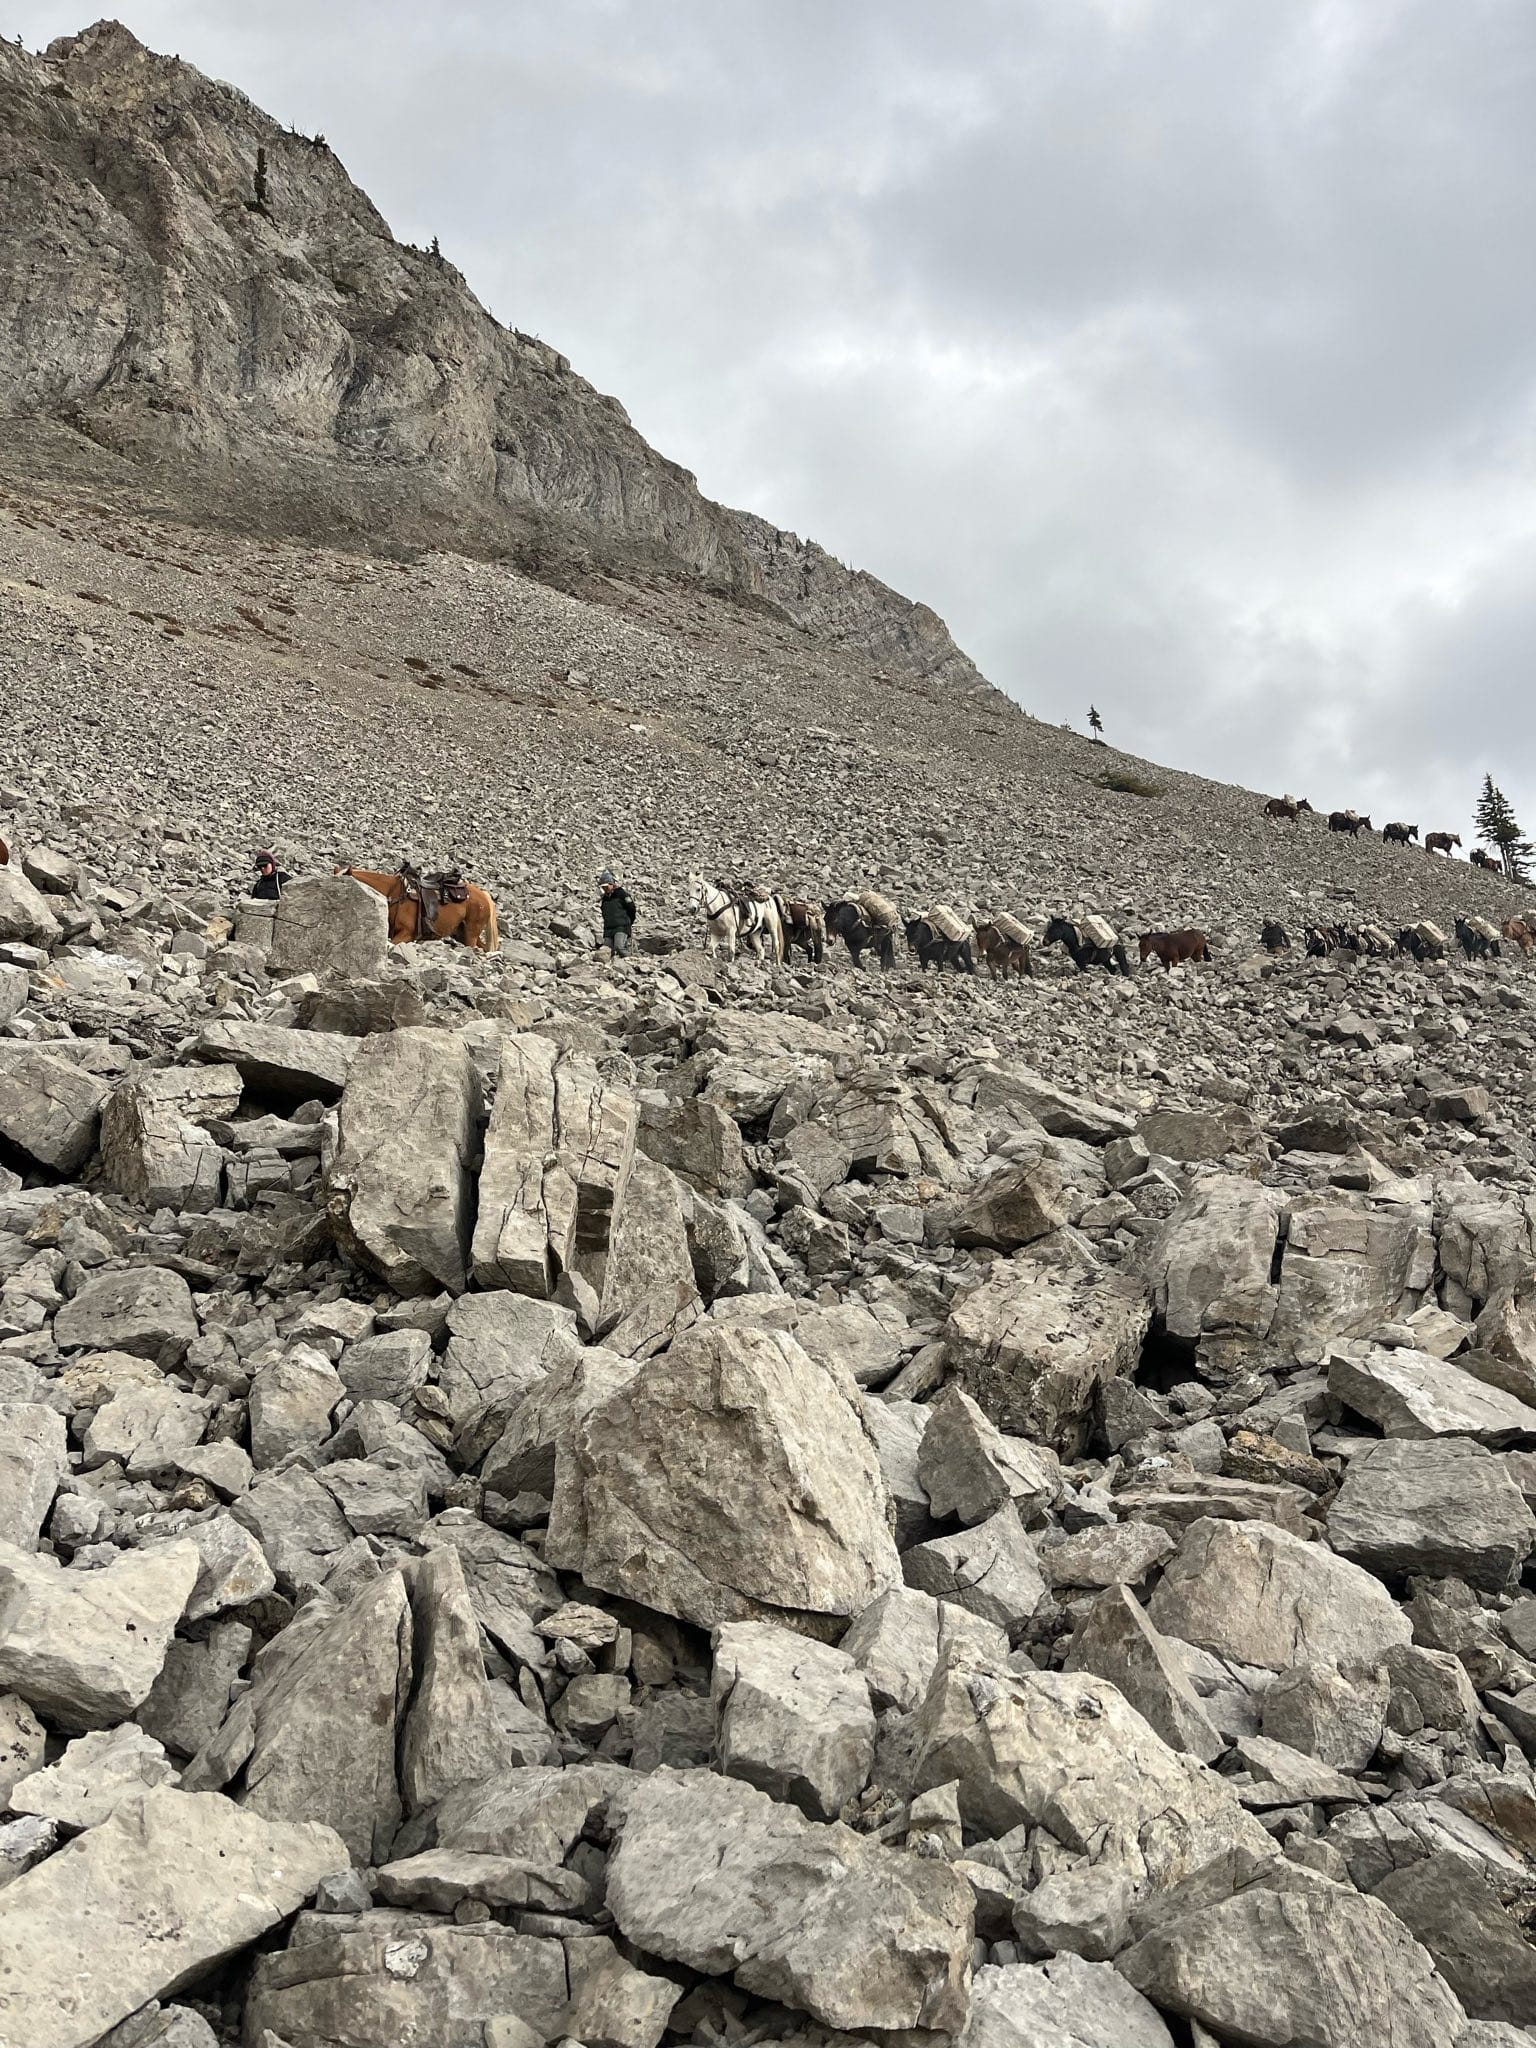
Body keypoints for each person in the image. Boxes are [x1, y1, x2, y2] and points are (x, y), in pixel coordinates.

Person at [598, 868, 637, 958]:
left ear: (612, 884)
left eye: (606, 886)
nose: (604, 888)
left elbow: (632, 909)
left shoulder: (622, 894)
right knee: (605, 951)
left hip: (621, 927)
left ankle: (632, 960)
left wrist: (628, 922)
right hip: (608, 929)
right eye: (603, 887)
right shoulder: (605, 898)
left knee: (619, 947)